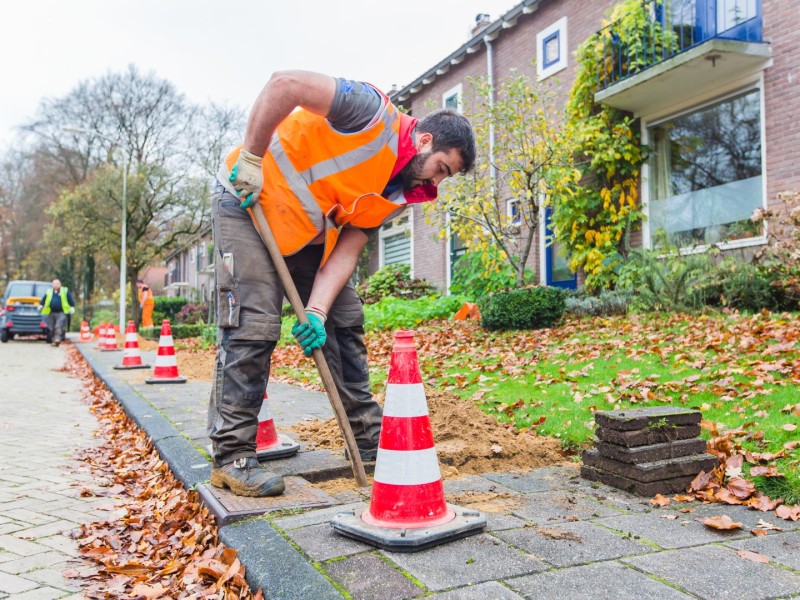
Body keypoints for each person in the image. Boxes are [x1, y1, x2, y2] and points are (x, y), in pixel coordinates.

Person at [207, 70, 476, 497]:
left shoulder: (401, 192)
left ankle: (368, 437)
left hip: (304, 234)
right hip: (248, 203)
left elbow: (347, 250)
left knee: (343, 318)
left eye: (446, 177)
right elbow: (284, 85)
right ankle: (233, 455)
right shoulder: (369, 111)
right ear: (424, 141)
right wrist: (253, 159)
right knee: (253, 325)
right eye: (441, 168)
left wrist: (316, 310)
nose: (435, 183)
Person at [40, 279, 75, 347]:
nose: (56, 285)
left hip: (61, 312)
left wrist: (72, 306)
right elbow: (44, 299)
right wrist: (41, 305)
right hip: (51, 312)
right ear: (52, 285)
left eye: (57, 284)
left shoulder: (64, 291)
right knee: (51, 327)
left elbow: (70, 299)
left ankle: (57, 339)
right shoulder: (49, 291)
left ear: (60, 284)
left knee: (58, 326)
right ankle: (53, 340)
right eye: (54, 284)